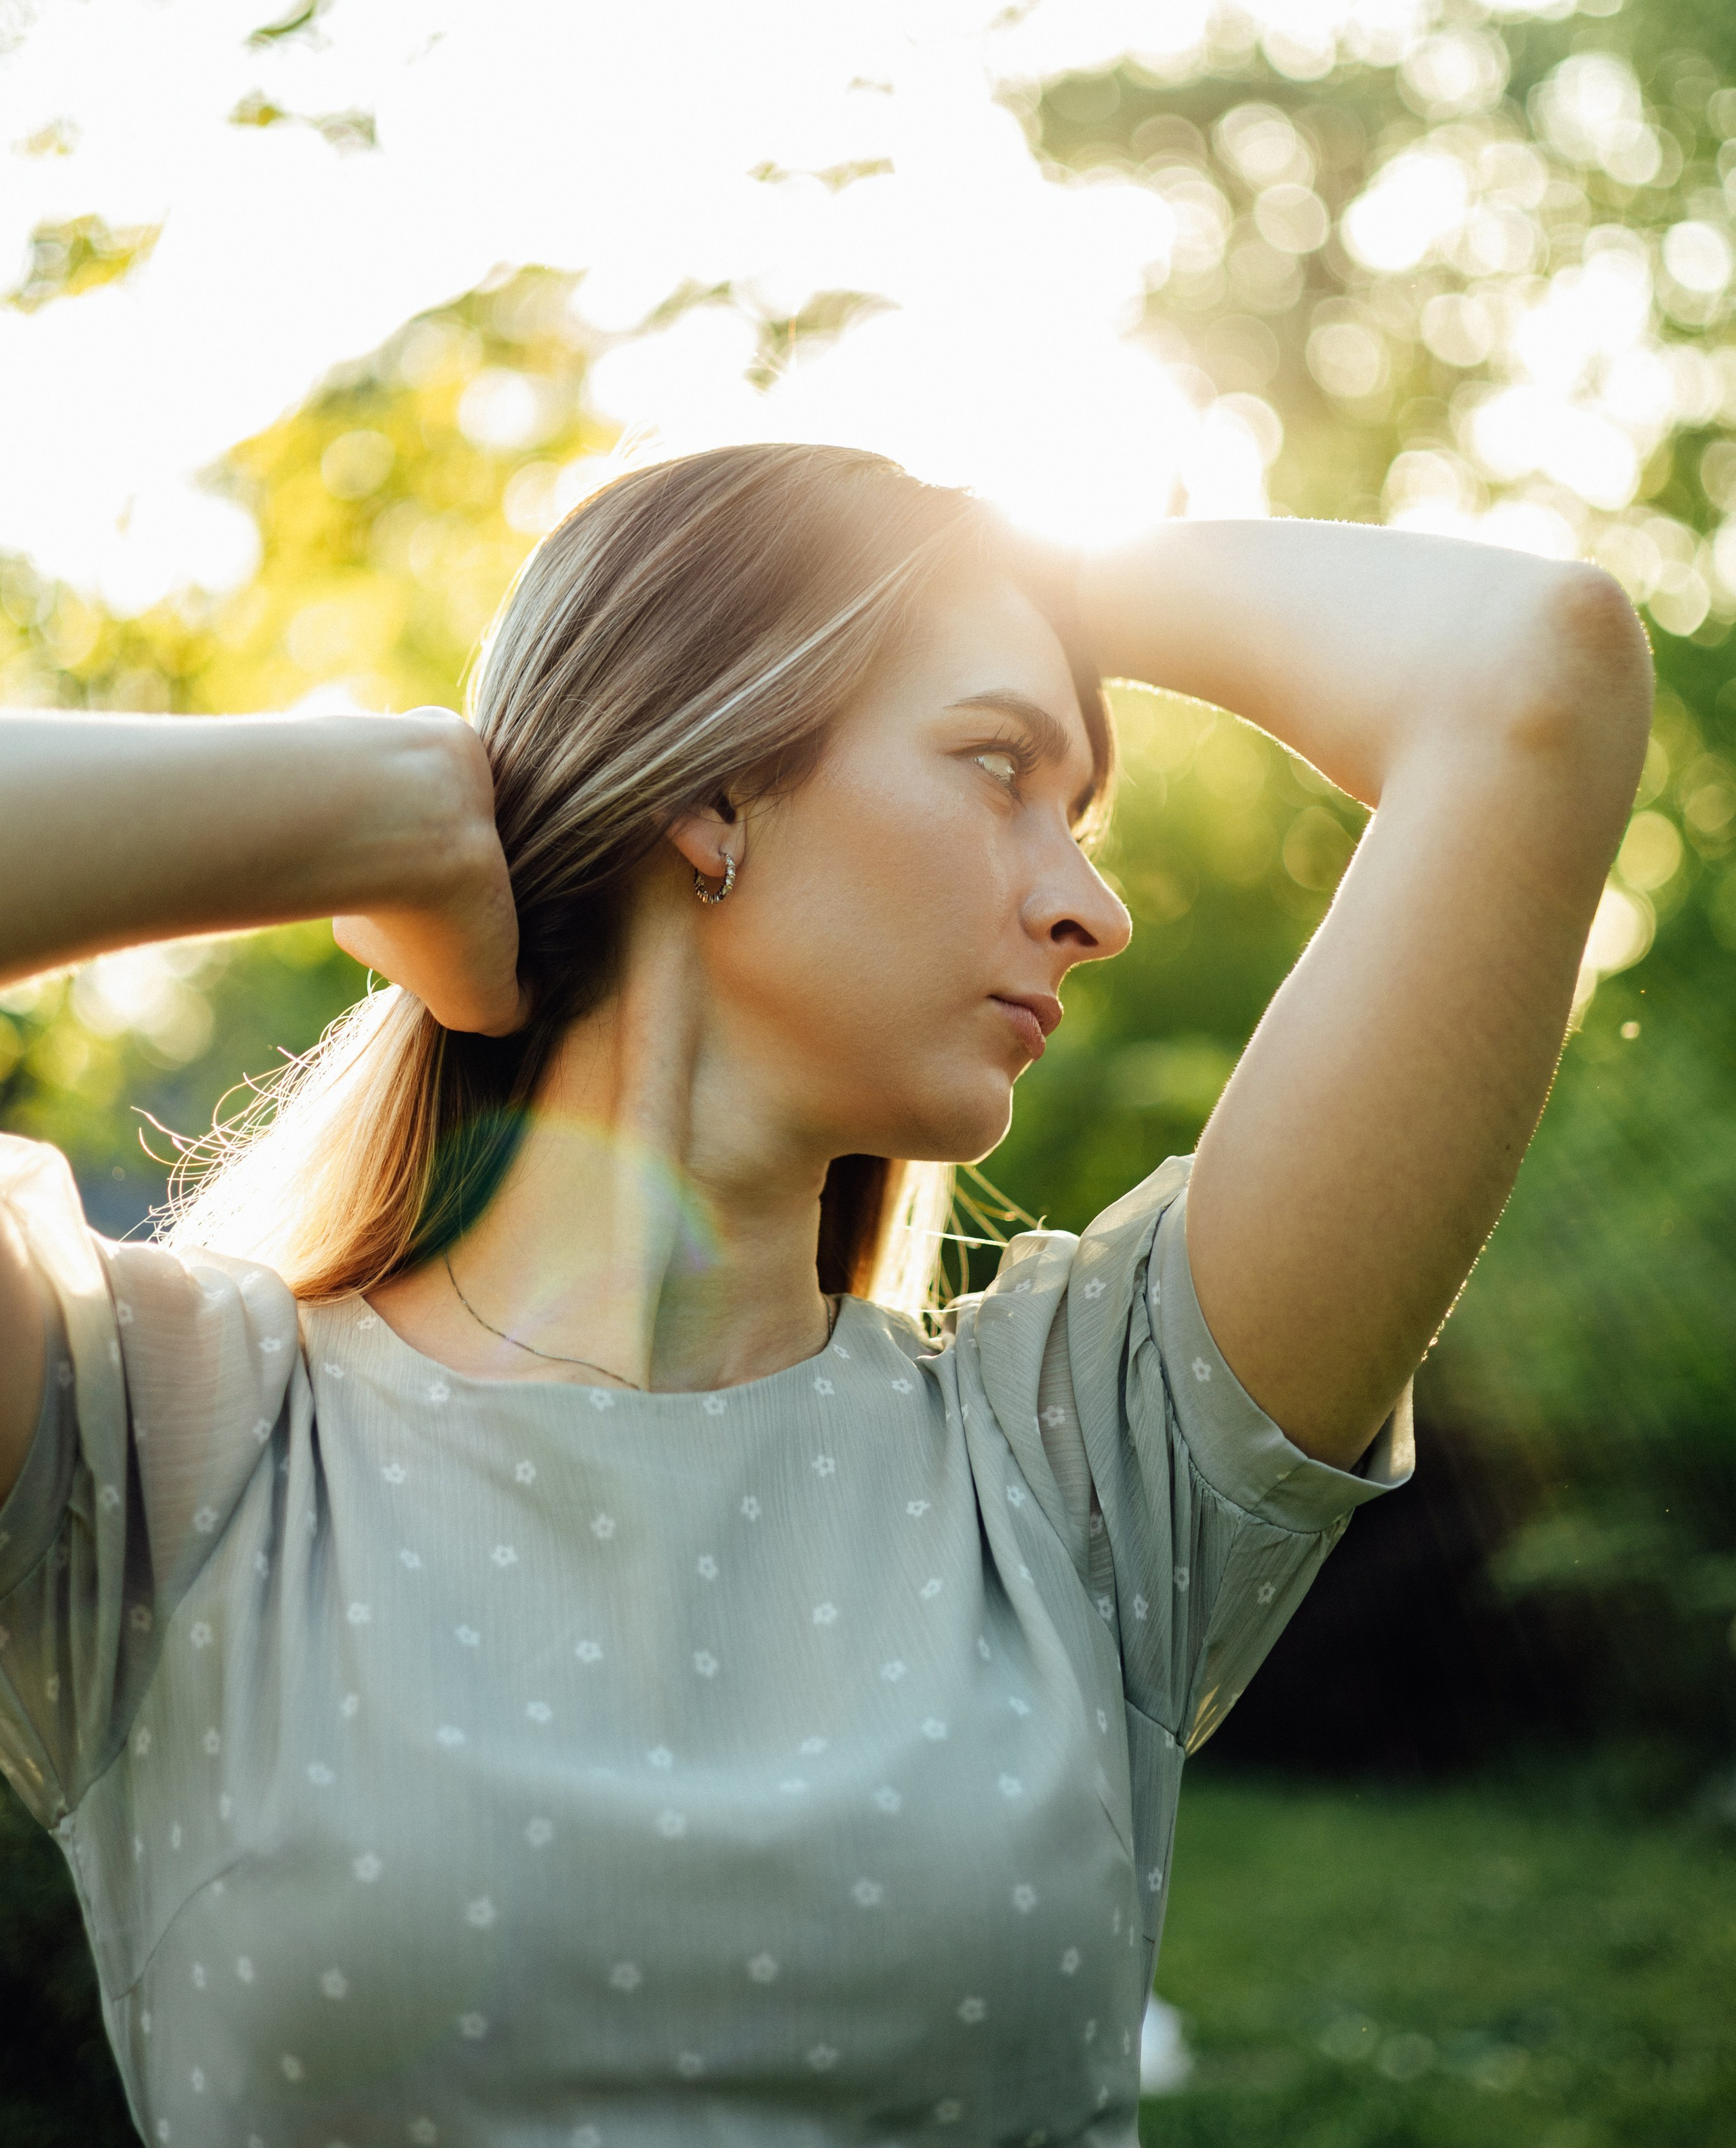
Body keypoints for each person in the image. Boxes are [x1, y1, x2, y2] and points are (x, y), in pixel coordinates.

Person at [0, 441, 1649, 2145]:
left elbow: (1537, 672)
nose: (1091, 907)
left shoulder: (1084, 1464)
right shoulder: (166, 1438)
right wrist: (386, 805)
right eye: (997, 763)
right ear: (709, 793)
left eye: (1074, 817)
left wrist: (993, 554)